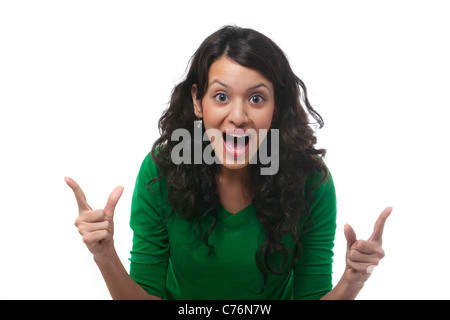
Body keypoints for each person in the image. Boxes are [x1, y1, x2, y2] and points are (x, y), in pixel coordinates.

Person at [65, 25, 392, 300]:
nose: (238, 117)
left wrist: (353, 279)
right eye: (221, 97)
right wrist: (105, 255)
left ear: (275, 107)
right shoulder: (161, 171)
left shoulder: (310, 180)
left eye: (256, 98)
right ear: (197, 101)